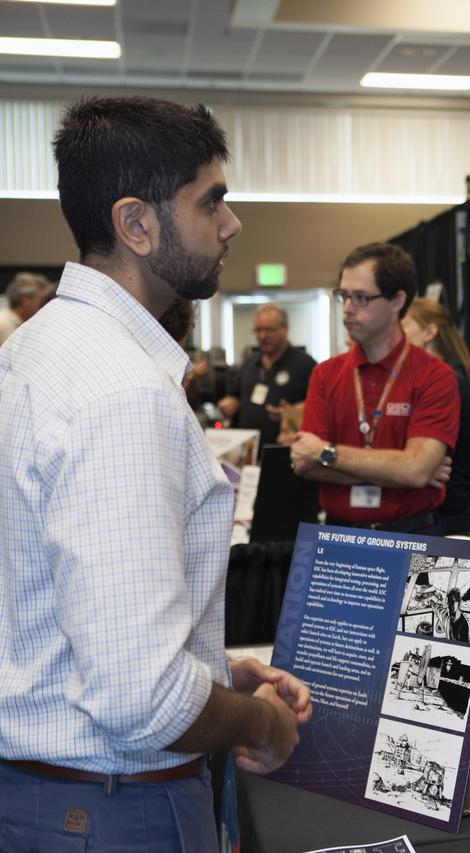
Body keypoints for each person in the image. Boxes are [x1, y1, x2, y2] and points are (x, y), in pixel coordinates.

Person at [0, 96, 311, 850]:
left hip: (52, 794)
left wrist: (209, 673)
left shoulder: (36, 350)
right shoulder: (121, 389)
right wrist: (259, 721)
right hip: (116, 809)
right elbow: (141, 696)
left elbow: (75, 615)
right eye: (212, 202)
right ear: (136, 223)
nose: (231, 224)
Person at [291, 243, 459, 535]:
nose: (347, 309)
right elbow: (305, 463)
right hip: (339, 535)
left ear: (397, 301)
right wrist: (398, 470)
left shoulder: (436, 376)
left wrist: (327, 454)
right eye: (343, 296)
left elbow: (416, 471)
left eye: (361, 298)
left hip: (414, 534)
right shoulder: (326, 374)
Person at [403, 298, 470, 535]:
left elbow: (417, 466)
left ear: (430, 332)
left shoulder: (447, 380)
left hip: (451, 525)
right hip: (445, 521)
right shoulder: (439, 377)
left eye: (402, 327)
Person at [217, 305, 316, 444]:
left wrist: (293, 411)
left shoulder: (305, 364)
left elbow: (319, 405)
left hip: (285, 449)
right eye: (258, 330)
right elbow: (235, 395)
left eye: (269, 330)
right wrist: (232, 402)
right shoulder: (249, 363)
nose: (263, 336)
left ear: (285, 329)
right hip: (249, 450)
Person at [0, 271, 55, 347]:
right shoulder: (3, 323)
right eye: (41, 299)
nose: (44, 304)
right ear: (25, 300)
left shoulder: (27, 322)